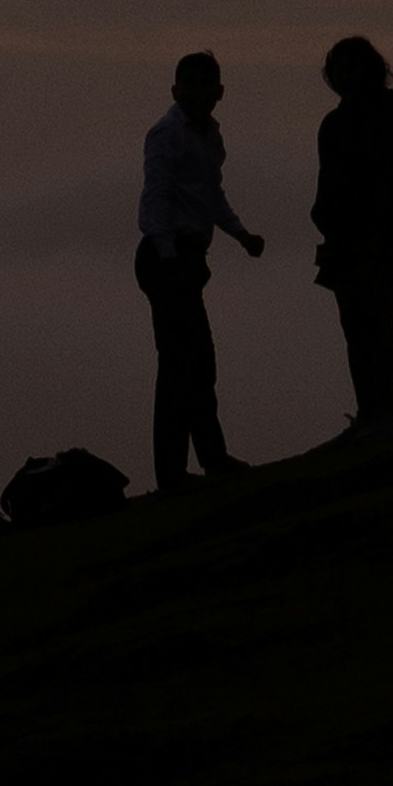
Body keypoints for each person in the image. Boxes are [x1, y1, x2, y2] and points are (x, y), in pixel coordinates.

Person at [136, 50, 263, 491]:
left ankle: (207, 458)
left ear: (219, 92)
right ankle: (180, 470)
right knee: (180, 366)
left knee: (194, 364)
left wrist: (242, 235)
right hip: (166, 258)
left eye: (204, 83)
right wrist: (169, 257)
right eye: (188, 83)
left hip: (186, 258)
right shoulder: (167, 134)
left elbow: (210, 197)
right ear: (176, 90)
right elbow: (156, 198)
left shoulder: (209, 137)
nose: (196, 91)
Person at [312, 34, 393, 434]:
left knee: (377, 325)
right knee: (357, 327)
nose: (343, 77)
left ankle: (383, 413)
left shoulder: (391, 117)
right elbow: (328, 183)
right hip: (347, 238)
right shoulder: (336, 123)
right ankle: (370, 413)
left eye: (350, 67)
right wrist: (325, 219)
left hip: (381, 237)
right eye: (337, 69)